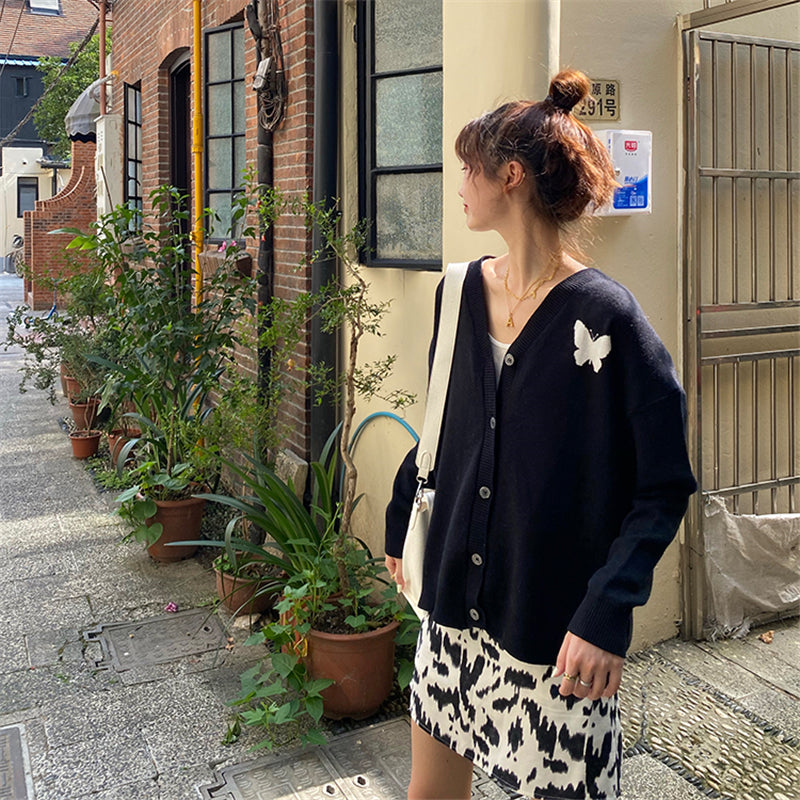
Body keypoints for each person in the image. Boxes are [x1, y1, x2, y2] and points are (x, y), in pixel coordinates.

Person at [384, 69, 697, 800]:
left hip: (558, 638)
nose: (460, 184)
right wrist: (402, 522)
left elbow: (663, 485)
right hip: (451, 618)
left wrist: (608, 610)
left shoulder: (609, 318)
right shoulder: (458, 292)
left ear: (511, 177)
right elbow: (443, 425)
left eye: (470, 167)